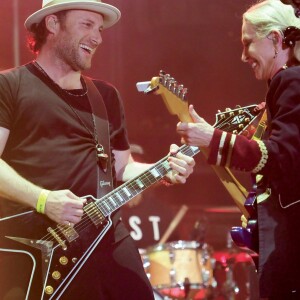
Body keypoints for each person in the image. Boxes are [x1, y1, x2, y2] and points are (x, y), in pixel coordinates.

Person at [0, 0, 195, 299]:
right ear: (52, 24)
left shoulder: (106, 96)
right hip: (35, 244)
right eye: (87, 25)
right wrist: (43, 200)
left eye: (100, 29)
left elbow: (120, 168)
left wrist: (163, 168)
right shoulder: (9, 86)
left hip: (106, 233)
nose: (98, 38)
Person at [176, 0, 300, 299]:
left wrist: (213, 139)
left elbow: (279, 156)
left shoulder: (291, 79)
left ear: (275, 39)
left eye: (248, 44)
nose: (243, 56)